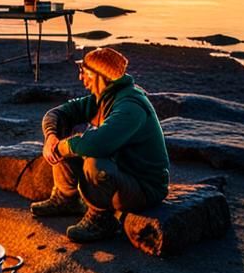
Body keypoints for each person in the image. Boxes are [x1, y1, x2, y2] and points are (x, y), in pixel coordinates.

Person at [32, 46, 169, 242]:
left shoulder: (130, 106)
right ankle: (66, 198)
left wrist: (62, 147)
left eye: (84, 73)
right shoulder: (102, 99)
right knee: (64, 133)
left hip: (144, 187)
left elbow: (99, 144)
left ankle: (101, 218)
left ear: (98, 77)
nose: (81, 78)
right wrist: (51, 137)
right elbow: (56, 114)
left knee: (95, 161)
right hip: (122, 171)